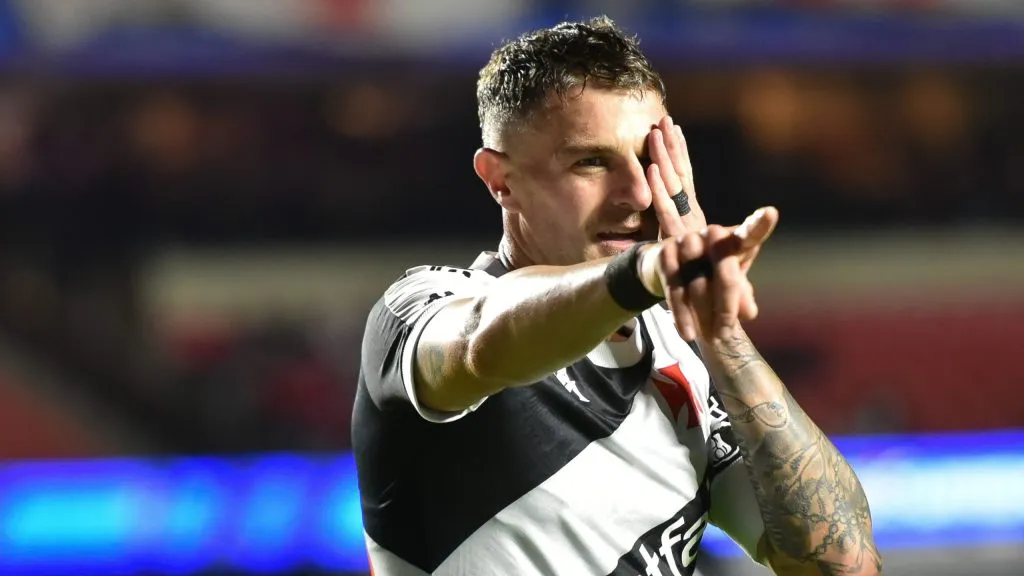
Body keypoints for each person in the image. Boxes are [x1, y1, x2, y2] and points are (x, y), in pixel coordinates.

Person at [352, 16, 881, 576]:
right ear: (500, 180)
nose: (634, 194)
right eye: (591, 161)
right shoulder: (421, 307)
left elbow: (841, 564)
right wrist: (647, 269)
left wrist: (719, 332)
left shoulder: (683, 355)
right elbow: (485, 337)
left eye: (648, 162)